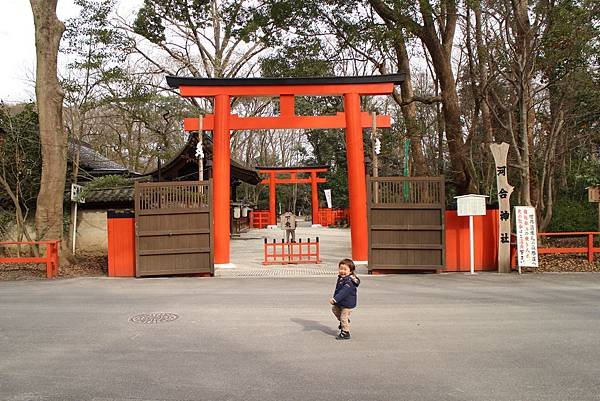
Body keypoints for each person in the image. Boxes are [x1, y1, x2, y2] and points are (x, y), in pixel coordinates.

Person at [329, 258, 360, 340]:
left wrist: (335, 299)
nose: (342, 271)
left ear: (350, 271)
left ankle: (345, 332)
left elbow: (344, 292)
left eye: (345, 269)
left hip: (347, 303)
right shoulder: (342, 278)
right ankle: (345, 321)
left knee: (343, 317)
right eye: (341, 269)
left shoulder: (349, 281)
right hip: (341, 302)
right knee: (335, 309)